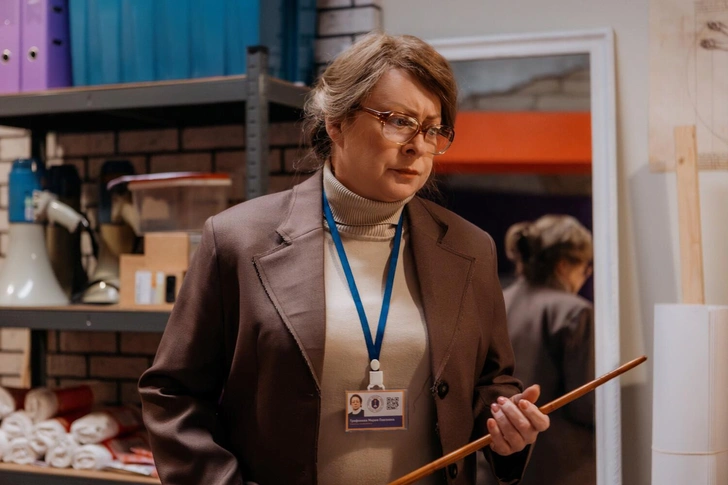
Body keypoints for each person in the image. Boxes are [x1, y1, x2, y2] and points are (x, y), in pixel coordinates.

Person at [138, 32, 549, 485]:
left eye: (432, 129)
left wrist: (508, 425)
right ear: (336, 123)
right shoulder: (237, 240)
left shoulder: (470, 248)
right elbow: (172, 393)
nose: (417, 145)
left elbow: (492, 382)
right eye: (398, 121)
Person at [485, 215, 595, 485]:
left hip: (496, 462)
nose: (585, 276)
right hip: (560, 468)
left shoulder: (496, 302)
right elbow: (586, 406)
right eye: (585, 268)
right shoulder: (575, 311)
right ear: (563, 265)